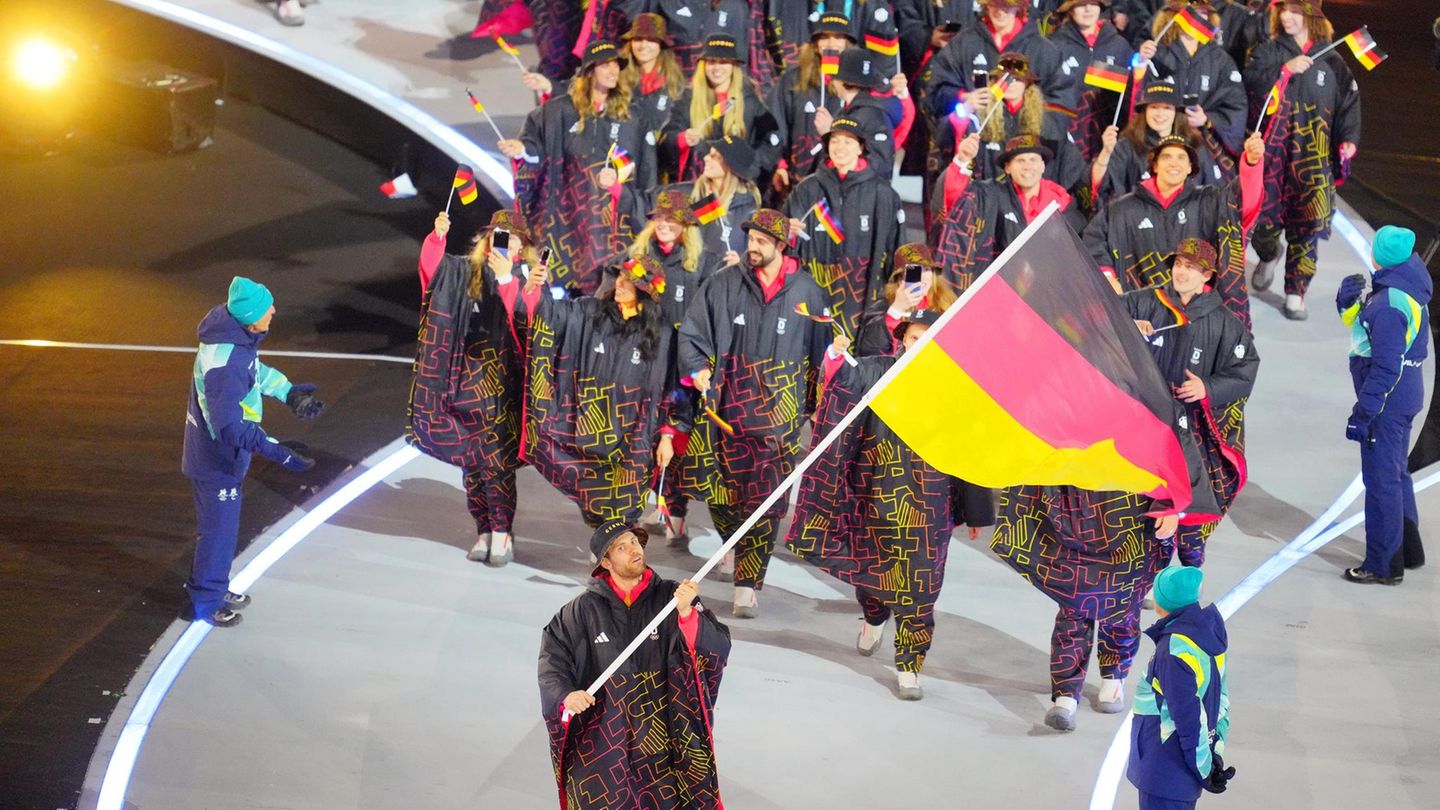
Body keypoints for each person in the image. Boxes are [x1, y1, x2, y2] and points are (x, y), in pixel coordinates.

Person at [787, 312, 994, 700]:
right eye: (915, 337)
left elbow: (971, 450)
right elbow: (844, 378)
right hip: (874, 496)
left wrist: (975, 511)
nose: (922, 345)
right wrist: (834, 356)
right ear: (901, 340)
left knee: (923, 590)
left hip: (933, 507)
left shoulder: (957, 388)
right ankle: (874, 615)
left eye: (930, 338)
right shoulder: (878, 372)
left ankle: (910, 665)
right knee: (873, 575)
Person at [677, 209, 832, 617]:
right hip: (726, 413)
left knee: (766, 504)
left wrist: (815, 410)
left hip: (779, 423)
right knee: (722, 497)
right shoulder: (723, 284)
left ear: (782, 245)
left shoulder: (808, 293)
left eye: (762, 241)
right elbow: (692, 332)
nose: (753, 246)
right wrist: (700, 371)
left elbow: (822, 355)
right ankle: (733, 542)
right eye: (751, 238)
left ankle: (748, 582)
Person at [539, 520, 731, 809]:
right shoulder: (580, 612)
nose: (634, 550)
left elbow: (717, 646)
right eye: (622, 546)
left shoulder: (672, 597)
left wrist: (687, 615)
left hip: (664, 738)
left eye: (635, 542)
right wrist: (567, 695)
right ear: (606, 562)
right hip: (604, 739)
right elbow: (553, 660)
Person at [182, 277, 324, 627]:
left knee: (224, 529)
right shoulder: (225, 361)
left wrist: (289, 392)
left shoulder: (236, 338)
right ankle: (207, 601)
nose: (274, 311)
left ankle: (214, 585)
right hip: (216, 460)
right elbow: (229, 427)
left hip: (226, 456)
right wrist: (276, 451)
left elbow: (255, 373)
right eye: (266, 308)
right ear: (249, 317)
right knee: (218, 533)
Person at [524, 254, 688, 530]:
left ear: (645, 293)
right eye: (620, 278)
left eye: (628, 281)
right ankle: (606, 547)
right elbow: (551, 315)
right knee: (595, 508)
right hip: (587, 433)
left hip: (633, 442)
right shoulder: (591, 313)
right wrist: (535, 288)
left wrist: (669, 435)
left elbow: (675, 389)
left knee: (625, 510)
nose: (620, 284)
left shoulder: (664, 336)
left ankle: (613, 561)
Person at [412, 209, 536, 566]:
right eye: (498, 235)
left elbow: (533, 322)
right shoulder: (466, 271)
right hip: (465, 384)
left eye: (511, 238)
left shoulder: (528, 277)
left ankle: (502, 532)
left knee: (496, 466)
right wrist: (437, 238)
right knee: (470, 466)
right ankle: (483, 528)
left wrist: (507, 281)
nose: (503, 243)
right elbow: (434, 273)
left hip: (505, 391)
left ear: (522, 246)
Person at [1128, 238, 1258, 569]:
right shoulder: (1144, 302)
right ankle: (1143, 582)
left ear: (1207, 277)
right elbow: (1097, 320)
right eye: (1179, 265)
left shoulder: (1224, 322)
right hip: (1145, 423)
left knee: (1190, 525)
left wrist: (1207, 387)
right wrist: (1128, 327)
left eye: (1192, 268)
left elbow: (1246, 368)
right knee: (1145, 513)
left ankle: (1187, 584)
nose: (1182, 273)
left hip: (1193, 433)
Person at [501, 40, 655, 295]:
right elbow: (535, 146)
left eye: (616, 65)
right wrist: (522, 150)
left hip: (615, 228)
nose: (613, 71)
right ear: (589, 71)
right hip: (569, 227)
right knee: (570, 301)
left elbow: (647, 170)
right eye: (605, 65)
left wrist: (645, 214)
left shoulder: (633, 117)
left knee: (613, 293)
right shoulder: (558, 112)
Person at [1244, 0, 1361, 321]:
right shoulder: (1268, 51)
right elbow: (1251, 83)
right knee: (1263, 226)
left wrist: (1349, 139)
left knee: (1306, 228)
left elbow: (1349, 101)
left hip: (1313, 160)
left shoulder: (1332, 60)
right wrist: (1283, 71)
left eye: (1295, 11)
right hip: (1274, 158)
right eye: (1283, 10)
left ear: (1311, 16)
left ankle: (1296, 292)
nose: (1286, 17)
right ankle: (1269, 255)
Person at [1083, 130, 1264, 324]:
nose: (1174, 163)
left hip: (1196, 316)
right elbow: (1093, 240)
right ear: (1155, 165)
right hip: (1140, 318)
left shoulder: (1209, 201)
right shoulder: (1123, 208)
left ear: (1190, 167)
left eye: (1181, 158)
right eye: (1166, 156)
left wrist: (1252, 164)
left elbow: (1242, 204)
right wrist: (1108, 276)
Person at [1339, 226, 1431, 584]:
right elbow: (1367, 333)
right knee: (1395, 472)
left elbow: (1385, 364)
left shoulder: (1390, 302)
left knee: (1380, 482)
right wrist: (1349, 307)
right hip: (1404, 396)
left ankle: (1383, 563)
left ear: (1378, 254)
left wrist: (1364, 412)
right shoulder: (1406, 284)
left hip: (1387, 404)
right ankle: (1409, 550)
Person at [783, 114, 905, 337]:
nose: (840, 147)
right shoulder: (807, 189)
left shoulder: (883, 194)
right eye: (835, 140)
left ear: (860, 148)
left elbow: (897, 249)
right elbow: (785, 245)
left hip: (860, 299)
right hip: (812, 295)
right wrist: (788, 234)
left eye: (848, 141)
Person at [1128, 565, 1235, 809]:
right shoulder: (1208, 636)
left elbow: (1188, 718)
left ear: (1160, 602)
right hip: (1185, 766)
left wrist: (1204, 769)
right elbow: (1221, 701)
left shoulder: (1173, 651)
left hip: (1166, 767)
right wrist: (1214, 753)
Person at [933, 133, 1087, 288]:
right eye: (1020, 160)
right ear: (1007, 167)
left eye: (1033, 160)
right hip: (996, 291)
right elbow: (958, 202)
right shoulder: (989, 194)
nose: (1027, 166)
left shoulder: (1062, 204)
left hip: (1046, 294)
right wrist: (963, 160)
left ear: (1042, 166)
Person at [928, 54, 1086, 200]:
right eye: (1003, 78)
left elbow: (1066, 163)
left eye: (1017, 79)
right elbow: (944, 140)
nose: (1010, 84)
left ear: (1027, 84)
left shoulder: (1047, 122)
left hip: (1031, 200)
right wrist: (965, 110)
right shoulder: (978, 118)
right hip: (987, 197)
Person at [1136, 1, 1248, 184]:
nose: (1199, 18)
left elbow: (1236, 103)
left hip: (1204, 145)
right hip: (1159, 141)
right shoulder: (1157, 54)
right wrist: (1140, 62)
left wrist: (1208, 119)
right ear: (1175, 17)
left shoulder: (1221, 59)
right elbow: (1137, 96)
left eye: (1204, 13)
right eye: (1192, 13)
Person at [662, 34, 779, 183]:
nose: (717, 68)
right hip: (699, 186)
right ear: (703, 65)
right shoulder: (688, 99)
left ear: (733, 66)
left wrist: (751, 168)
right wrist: (682, 140)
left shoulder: (749, 100)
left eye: (723, 62)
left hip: (737, 186)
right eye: (711, 62)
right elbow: (667, 137)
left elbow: (771, 140)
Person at [768, 12, 857, 202]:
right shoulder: (793, 80)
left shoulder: (858, 82)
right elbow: (776, 123)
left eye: (838, 37)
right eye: (824, 37)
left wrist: (902, 95)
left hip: (844, 180)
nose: (831, 44)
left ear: (847, 42)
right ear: (815, 44)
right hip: (798, 179)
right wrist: (780, 164)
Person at [1092, 79, 1218, 206]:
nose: (1160, 114)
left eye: (1167, 108)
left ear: (1176, 112)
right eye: (1154, 107)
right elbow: (1099, 187)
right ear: (1145, 111)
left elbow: (1212, 194)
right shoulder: (1127, 145)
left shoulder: (1195, 145)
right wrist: (1106, 153)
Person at [1047, 0, 1136, 163]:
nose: (1088, 9)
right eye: (1081, 4)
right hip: (1066, 139)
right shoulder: (1053, 45)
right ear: (1070, 9)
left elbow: (1132, 91)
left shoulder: (1119, 45)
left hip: (1107, 136)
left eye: (1093, 3)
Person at [854, 243, 958, 356]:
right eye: (914, 271)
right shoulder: (882, 307)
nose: (921, 276)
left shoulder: (947, 301)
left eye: (926, 269)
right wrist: (896, 310)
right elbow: (870, 352)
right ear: (901, 277)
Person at [688, 136, 763, 257]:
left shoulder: (748, 206)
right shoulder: (692, 193)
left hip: (728, 274)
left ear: (731, 166)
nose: (706, 158)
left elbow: (752, 253)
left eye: (714, 156)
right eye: (709, 153)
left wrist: (740, 264)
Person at [620, 13, 687, 134]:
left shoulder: (675, 84)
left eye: (651, 40)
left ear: (661, 44)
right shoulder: (617, 78)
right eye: (638, 39)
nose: (643, 45)